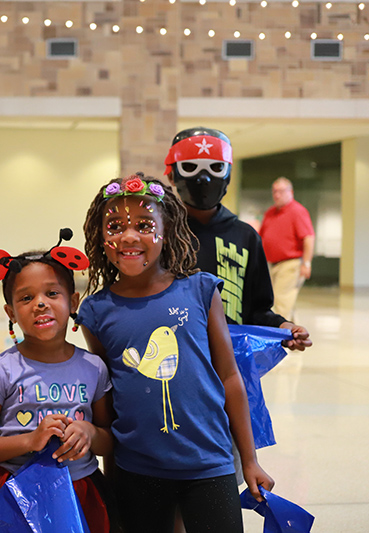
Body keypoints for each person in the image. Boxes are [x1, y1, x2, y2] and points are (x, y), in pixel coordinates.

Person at [77, 173, 274, 533]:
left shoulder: (201, 290)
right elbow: (108, 397)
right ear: (100, 236)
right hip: (137, 471)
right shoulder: (95, 311)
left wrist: (249, 460)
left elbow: (230, 377)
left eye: (145, 224)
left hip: (210, 464)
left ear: (167, 230)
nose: (129, 236)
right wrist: (111, 480)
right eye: (116, 226)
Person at [0, 231, 115, 532]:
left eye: (52, 294)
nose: (40, 304)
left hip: (79, 492)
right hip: (12, 496)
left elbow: (109, 439)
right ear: (10, 312)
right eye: (26, 298)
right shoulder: (3, 370)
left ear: (73, 301)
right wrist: (28, 441)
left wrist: (88, 432)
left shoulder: (94, 368)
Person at [163, 127, 311, 350]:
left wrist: (283, 326)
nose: (203, 179)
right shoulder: (161, 234)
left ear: (228, 174)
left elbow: (257, 310)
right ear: (172, 175)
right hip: (172, 352)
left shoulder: (245, 237)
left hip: (231, 358)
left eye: (215, 168)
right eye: (191, 168)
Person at [259, 177, 315, 322]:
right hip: (272, 264)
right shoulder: (270, 213)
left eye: (281, 191)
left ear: (291, 192)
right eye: (275, 191)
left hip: (290, 264)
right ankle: (293, 333)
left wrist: (306, 263)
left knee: (281, 300)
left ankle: (279, 336)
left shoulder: (297, 211)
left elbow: (308, 238)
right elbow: (262, 236)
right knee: (281, 300)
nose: (277, 195)